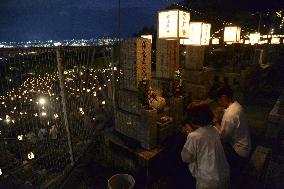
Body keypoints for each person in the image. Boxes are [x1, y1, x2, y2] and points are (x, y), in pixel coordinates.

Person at [181, 102, 230, 189]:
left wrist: (189, 135)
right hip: (224, 176)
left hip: (208, 182)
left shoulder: (194, 136)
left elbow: (186, 158)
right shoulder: (214, 130)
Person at [215, 87, 251, 183]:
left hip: (239, 152)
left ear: (224, 97)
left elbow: (223, 138)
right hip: (246, 146)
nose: (218, 103)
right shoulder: (237, 105)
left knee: (214, 146)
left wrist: (215, 123)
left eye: (218, 100)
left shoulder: (229, 114)